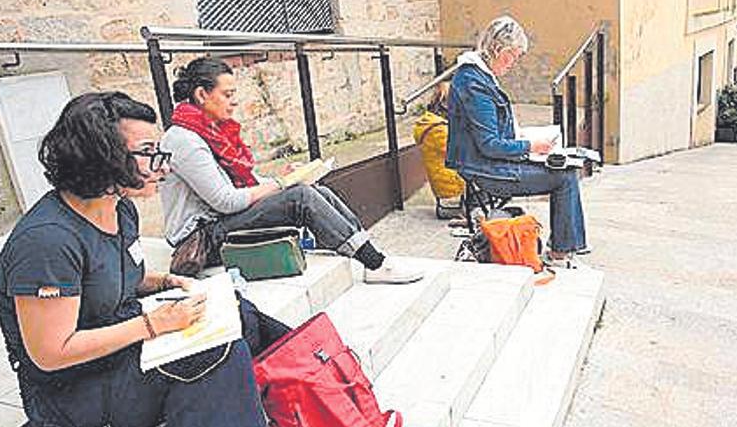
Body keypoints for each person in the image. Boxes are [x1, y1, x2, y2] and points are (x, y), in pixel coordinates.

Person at [0, 92, 268, 427]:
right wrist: (153, 324)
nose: (163, 164)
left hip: (112, 352)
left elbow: (118, 274)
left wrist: (162, 283)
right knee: (213, 350)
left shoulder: (118, 208)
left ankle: (299, 384)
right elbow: (50, 352)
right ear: (99, 154)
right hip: (68, 395)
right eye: (147, 153)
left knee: (237, 311)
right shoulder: (45, 243)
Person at [160, 57, 421, 284]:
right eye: (227, 95)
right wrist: (281, 183)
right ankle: (374, 264)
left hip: (217, 225)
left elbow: (239, 185)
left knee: (313, 190)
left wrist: (290, 176)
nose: (234, 102)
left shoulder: (208, 131)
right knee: (300, 197)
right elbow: (226, 201)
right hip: (200, 241)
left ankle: (372, 255)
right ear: (202, 94)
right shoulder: (184, 139)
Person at [445, 15, 588, 266]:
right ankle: (560, 254)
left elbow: (491, 135)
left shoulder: (478, 77)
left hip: (488, 162)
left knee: (566, 168)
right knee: (564, 177)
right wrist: (531, 146)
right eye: (514, 55)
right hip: (486, 169)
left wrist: (525, 138)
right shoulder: (474, 82)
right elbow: (489, 144)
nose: (515, 62)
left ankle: (564, 249)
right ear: (498, 49)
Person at [412, 81, 464, 219]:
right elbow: (462, 153)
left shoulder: (439, 125)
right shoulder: (437, 129)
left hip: (457, 191)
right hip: (454, 197)